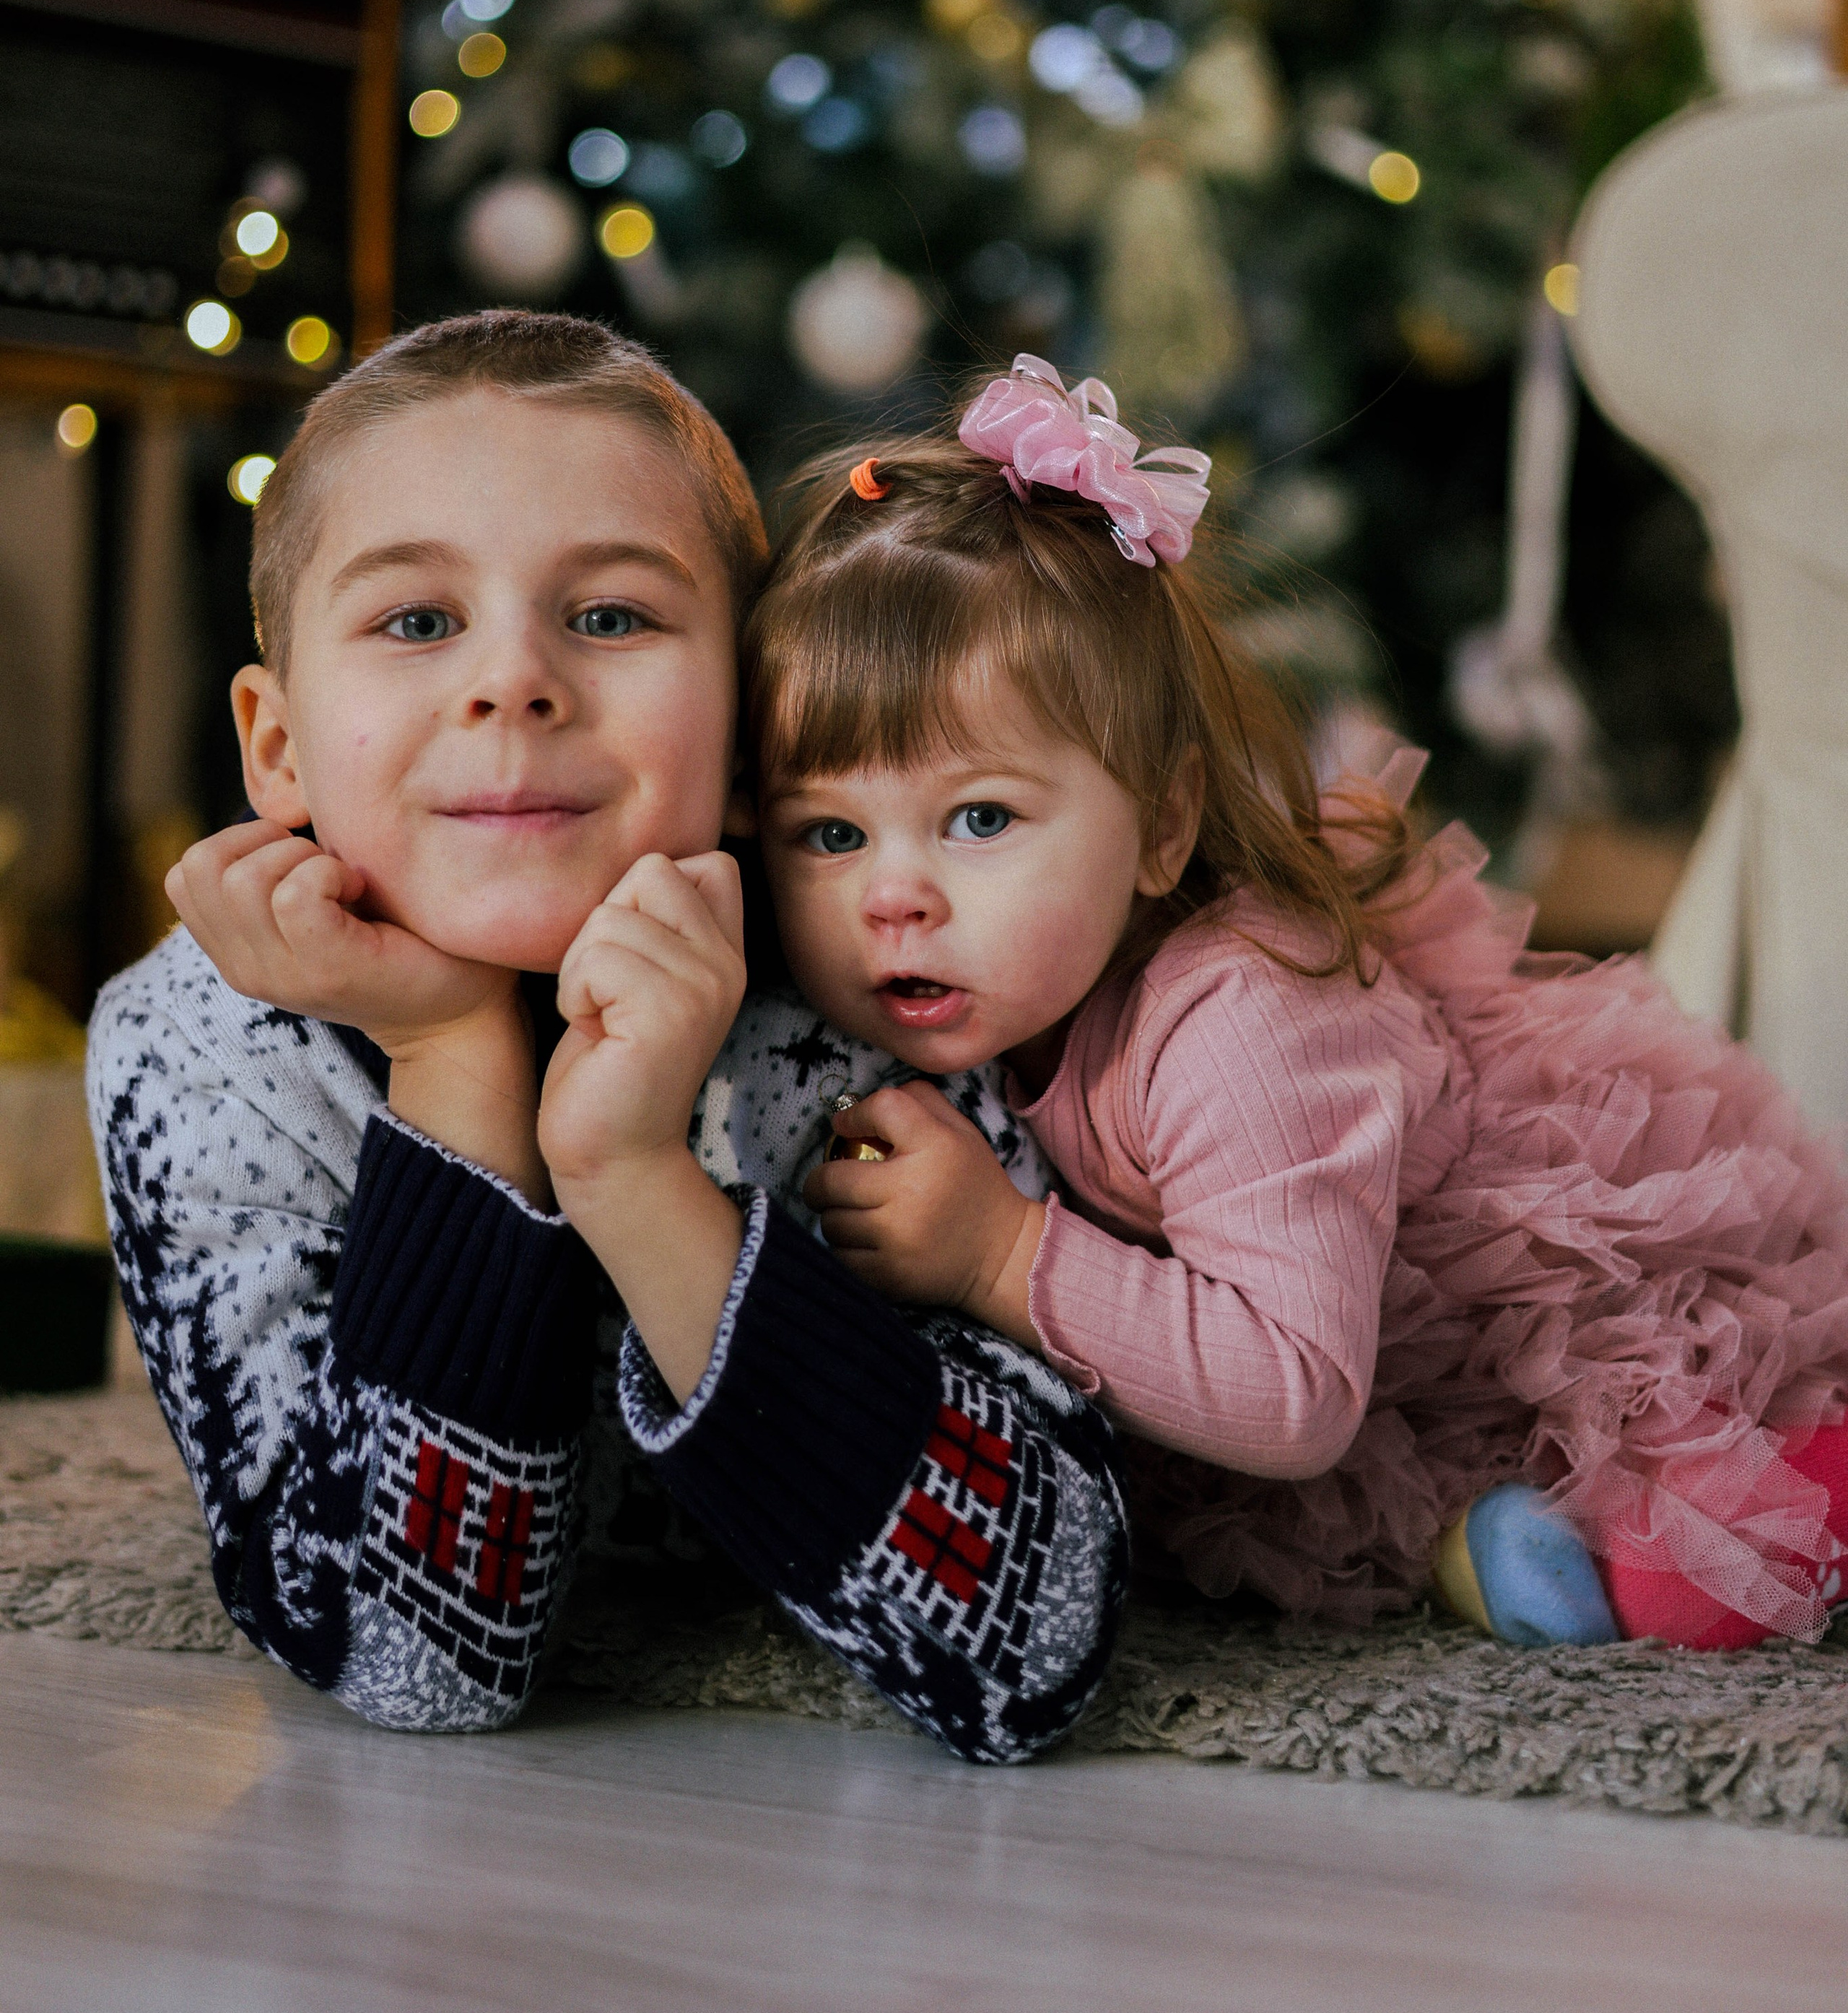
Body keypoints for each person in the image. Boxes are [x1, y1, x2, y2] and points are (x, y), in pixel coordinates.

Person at [86, 313, 1127, 1755]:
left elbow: (1030, 1642)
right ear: (277, 747)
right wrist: (456, 1055)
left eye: (610, 617)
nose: (514, 681)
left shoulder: (872, 974)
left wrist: (633, 1169)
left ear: (753, 736)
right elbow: (408, 1665)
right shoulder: (197, 1049)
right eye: (416, 621)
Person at [748, 355, 1848, 1652]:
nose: (894, 897)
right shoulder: (944, 1001)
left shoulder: (1242, 1020)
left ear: (1162, 831)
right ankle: (1511, 1540)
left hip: (1587, 1325)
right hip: (1380, 1366)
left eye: (978, 818)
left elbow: (1294, 1394)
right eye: (826, 834)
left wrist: (1000, 1254)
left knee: (1716, 1556)